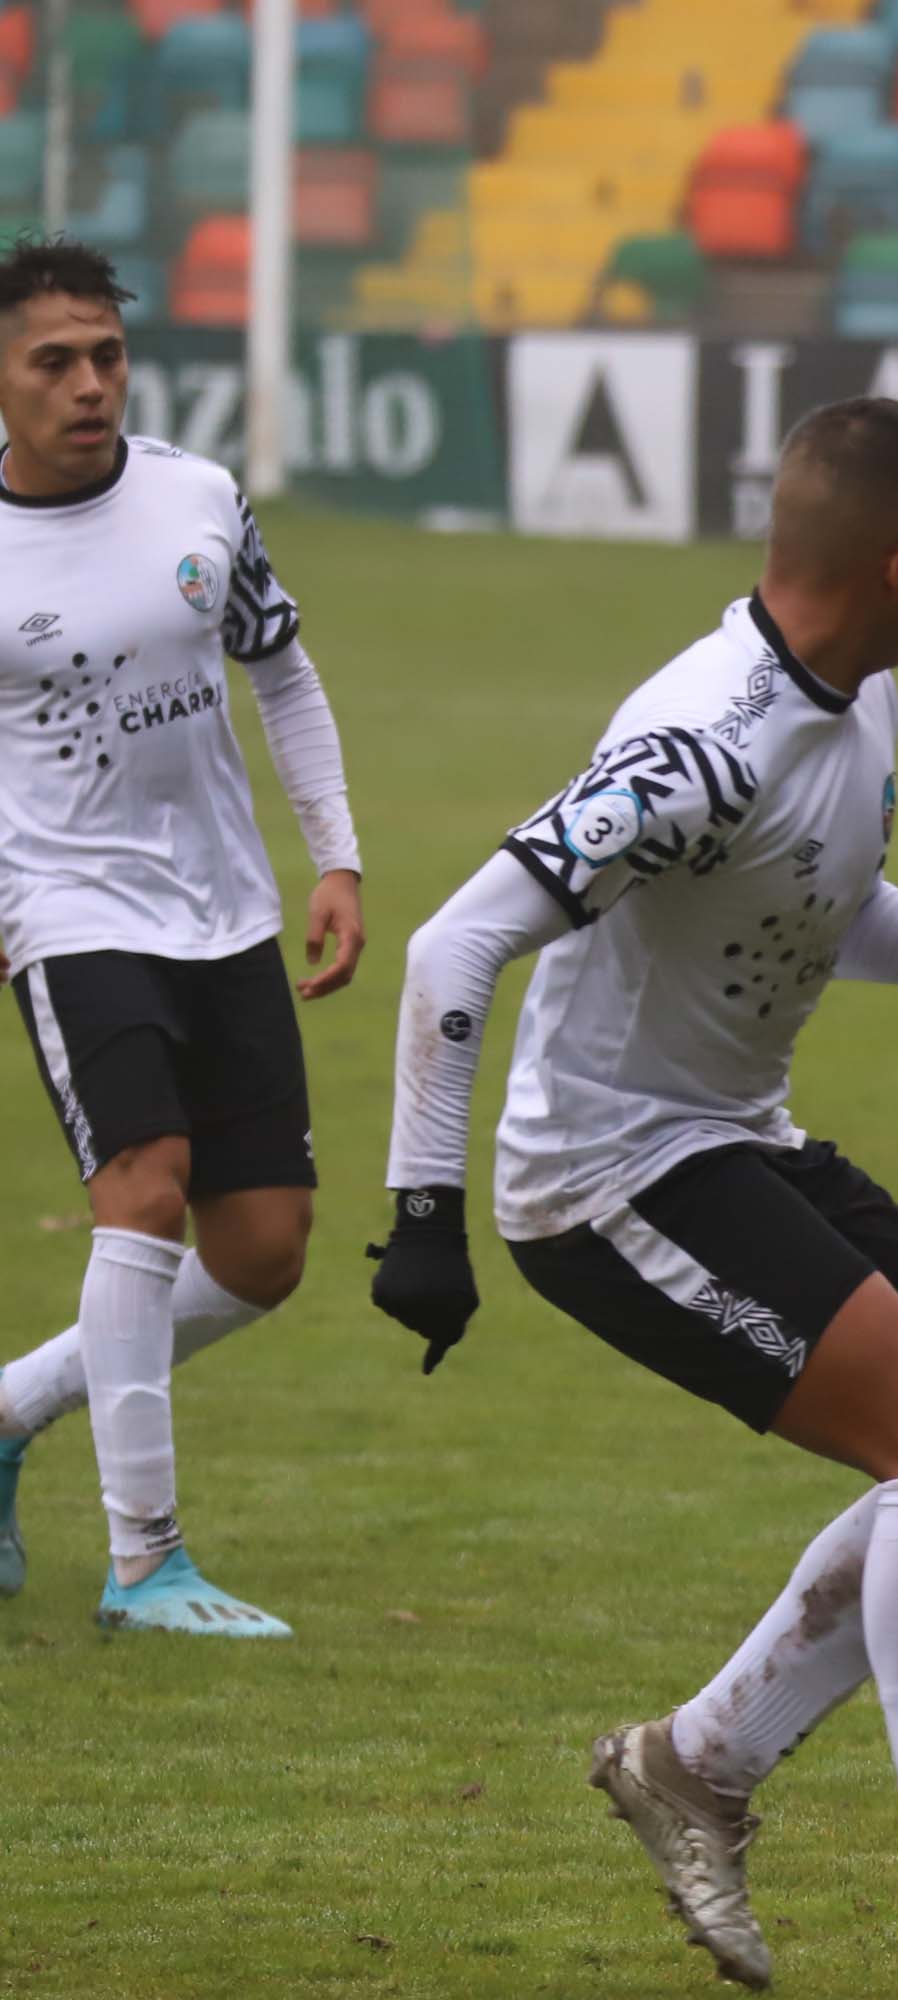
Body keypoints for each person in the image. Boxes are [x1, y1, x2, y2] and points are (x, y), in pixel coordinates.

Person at [366, 398, 898, 1998]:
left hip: (738, 1134)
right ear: (897, 559)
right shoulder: (698, 743)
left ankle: (697, 1765)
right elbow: (451, 947)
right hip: (606, 1179)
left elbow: (830, 910)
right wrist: (421, 1214)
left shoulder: (853, 696)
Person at [0, 234, 366, 1636]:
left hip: (223, 908)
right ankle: (145, 1557)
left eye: (106, 354)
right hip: (68, 904)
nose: (88, 384)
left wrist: (333, 853)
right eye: (54, 361)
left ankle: (16, 1408)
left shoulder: (197, 497)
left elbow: (278, 666)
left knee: (264, 1246)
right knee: (143, 1190)